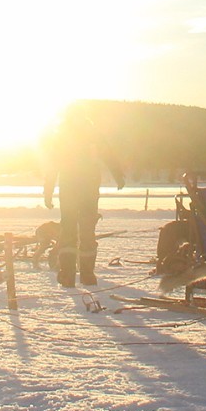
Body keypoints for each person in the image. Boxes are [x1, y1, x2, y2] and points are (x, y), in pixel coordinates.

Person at [40, 107, 126, 288]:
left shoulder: (62, 137)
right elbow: (109, 155)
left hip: (70, 189)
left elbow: (52, 166)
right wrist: (118, 175)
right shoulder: (93, 135)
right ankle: (87, 275)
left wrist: (48, 190)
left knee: (68, 231)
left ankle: (68, 275)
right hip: (89, 189)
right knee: (87, 231)